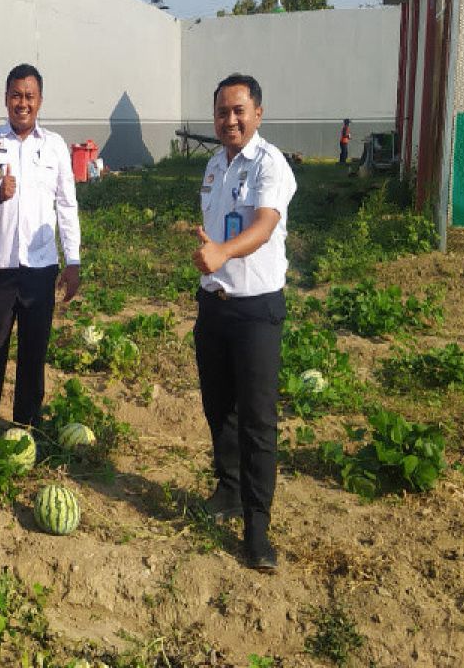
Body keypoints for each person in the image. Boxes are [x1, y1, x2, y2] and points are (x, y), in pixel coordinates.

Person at [191, 73, 297, 572]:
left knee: (257, 422)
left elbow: (263, 224)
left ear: (257, 112)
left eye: (238, 110)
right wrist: (210, 251)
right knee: (219, 408)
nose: (229, 120)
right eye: (221, 112)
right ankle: (229, 489)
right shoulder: (215, 164)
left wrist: (221, 251)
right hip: (214, 305)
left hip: (256, 309)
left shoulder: (270, 164)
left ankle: (257, 528)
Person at [0, 63, 81, 432]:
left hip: (41, 267)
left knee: (34, 352)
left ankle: (26, 429)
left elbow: (66, 205)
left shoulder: (55, 147)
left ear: (40, 101)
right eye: (16, 95)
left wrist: (73, 259)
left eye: (29, 96)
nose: (22, 103)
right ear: (6, 99)